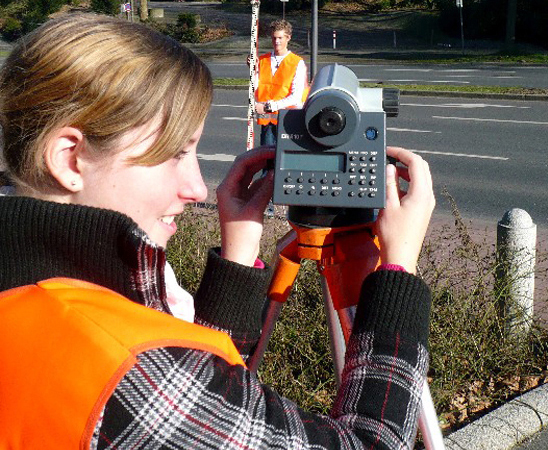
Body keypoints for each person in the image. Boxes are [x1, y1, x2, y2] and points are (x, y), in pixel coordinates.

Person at [0, 14, 436, 450]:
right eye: (173, 154)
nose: (196, 188)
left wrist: (238, 255)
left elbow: (201, 388)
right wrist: (397, 272)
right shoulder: (133, 374)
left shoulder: (47, 294)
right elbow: (371, 445)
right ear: (69, 159)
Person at [253, 19, 308, 146]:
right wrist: (252, 69)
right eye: (274, 38)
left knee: (285, 161)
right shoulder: (262, 60)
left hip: (289, 122)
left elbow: (296, 97)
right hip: (268, 124)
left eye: (280, 38)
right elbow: (256, 88)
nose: (276, 42)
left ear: (288, 38)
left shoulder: (296, 63)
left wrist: (268, 107)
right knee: (268, 161)